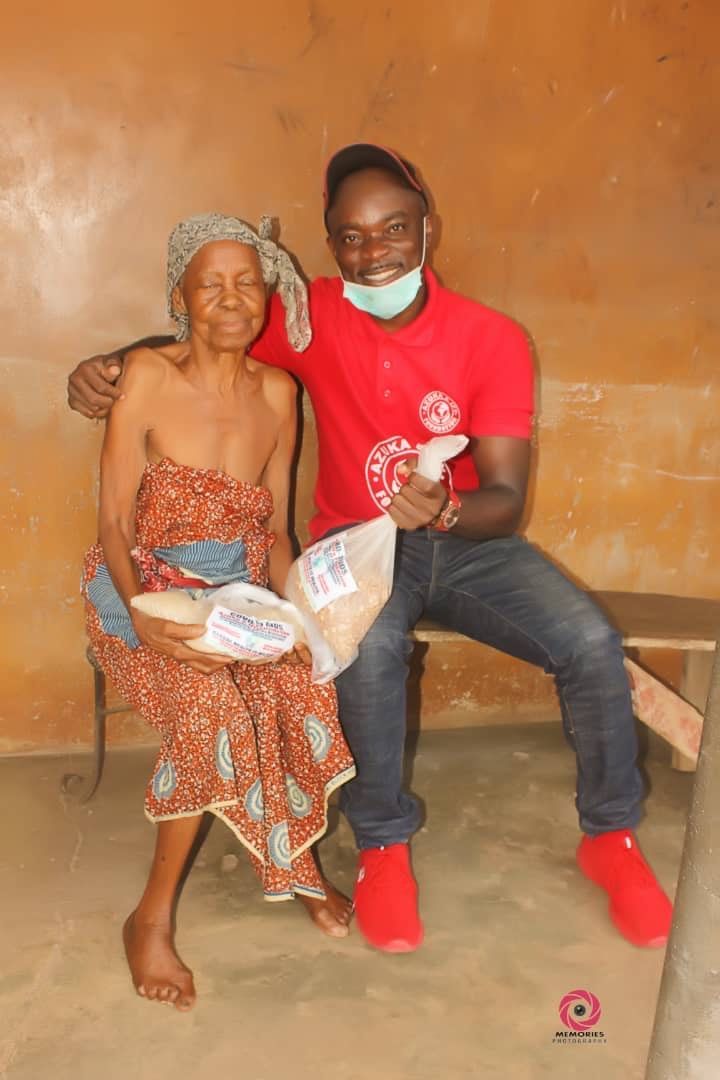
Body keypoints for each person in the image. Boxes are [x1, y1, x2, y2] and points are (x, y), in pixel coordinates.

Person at [69, 144, 673, 956]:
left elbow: (506, 498)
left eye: (393, 227)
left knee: (590, 642)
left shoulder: (491, 337)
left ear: (426, 223)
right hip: (354, 548)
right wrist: (108, 365)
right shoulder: (310, 315)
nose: (374, 250)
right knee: (369, 653)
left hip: (469, 546)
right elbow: (212, 320)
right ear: (330, 245)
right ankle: (384, 848)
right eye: (350, 236)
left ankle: (612, 838)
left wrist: (447, 508)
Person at [80, 212, 355, 1010]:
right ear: (181, 297)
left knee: (303, 686)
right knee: (209, 705)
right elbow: (114, 526)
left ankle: (295, 858)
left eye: (249, 284)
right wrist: (140, 615)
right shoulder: (145, 378)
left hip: (238, 594)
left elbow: (272, 530)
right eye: (213, 285)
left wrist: (299, 614)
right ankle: (149, 919)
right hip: (139, 583)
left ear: (268, 297)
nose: (233, 300)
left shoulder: (280, 391)